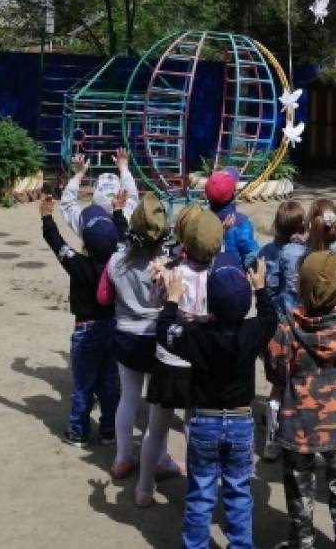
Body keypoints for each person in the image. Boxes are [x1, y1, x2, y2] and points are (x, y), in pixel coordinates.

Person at [158, 252, 277, 549]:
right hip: (240, 423)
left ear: (209, 301)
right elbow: (270, 317)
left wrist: (172, 300)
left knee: (200, 493)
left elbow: (164, 331)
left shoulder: (195, 334)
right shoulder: (253, 332)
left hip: (204, 422)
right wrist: (261, 287)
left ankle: (196, 545)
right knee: (239, 492)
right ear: (245, 304)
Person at [265, 250, 336, 549]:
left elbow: (276, 370)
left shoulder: (287, 328)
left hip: (298, 423)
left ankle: (303, 541)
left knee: (299, 485)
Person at [134, 205, 223, 507]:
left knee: (155, 429)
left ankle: (144, 489)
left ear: (185, 241)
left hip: (168, 361)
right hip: (199, 364)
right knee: (193, 428)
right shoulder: (218, 277)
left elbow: (154, 302)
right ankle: (196, 493)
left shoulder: (173, 272)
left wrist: (159, 279)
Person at [101, 193, 182, 481]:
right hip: (157, 338)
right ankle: (160, 459)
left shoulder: (115, 261)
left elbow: (104, 297)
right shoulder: (169, 266)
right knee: (158, 406)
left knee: (128, 398)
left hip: (125, 336)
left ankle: (122, 458)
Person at [39, 192, 123, 448]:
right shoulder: (119, 262)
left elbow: (56, 243)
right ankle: (110, 430)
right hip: (113, 327)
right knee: (110, 383)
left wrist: (46, 217)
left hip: (85, 330)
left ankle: (78, 431)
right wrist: (118, 212)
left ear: (85, 241)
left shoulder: (77, 264)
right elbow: (122, 236)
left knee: (83, 384)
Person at [259, 200, 309, 461]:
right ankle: (299, 437)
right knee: (300, 384)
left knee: (278, 386)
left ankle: (271, 441)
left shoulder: (268, 252)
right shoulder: (306, 253)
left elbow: (268, 287)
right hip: (302, 326)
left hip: (277, 326)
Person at [60, 149, 139, 236]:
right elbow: (132, 195)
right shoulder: (127, 219)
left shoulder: (85, 224)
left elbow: (67, 204)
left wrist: (79, 174)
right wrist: (124, 167)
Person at [206, 168, 260, 268]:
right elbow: (251, 254)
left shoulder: (203, 220)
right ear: (234, 193)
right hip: (235, 272)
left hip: (208, 271)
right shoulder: (241, 223)